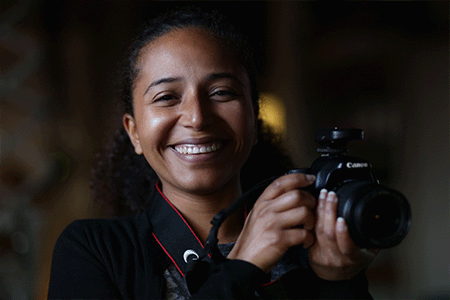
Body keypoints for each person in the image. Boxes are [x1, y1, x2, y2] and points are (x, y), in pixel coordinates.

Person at [48, 7, 378, 299]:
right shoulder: (94, 250)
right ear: (134, 132)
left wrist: (341, 282)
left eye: (221, 92)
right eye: (166, 97)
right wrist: (243, 266)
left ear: (254, 116)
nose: (197, 117)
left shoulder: (310, 245)